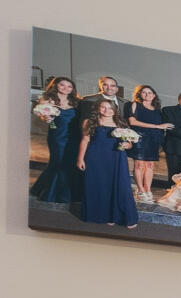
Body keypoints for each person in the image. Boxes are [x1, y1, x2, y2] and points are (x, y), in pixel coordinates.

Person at [77, 100, 137, 228]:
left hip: (116, 158)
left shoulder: (121, 123)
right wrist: (80, 159)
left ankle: (117, 216)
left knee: (120, 185)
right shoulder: (89, 122)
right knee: (98, 185)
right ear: (98, 108)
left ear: (115, 110)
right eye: (103, 107)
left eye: (110, 108)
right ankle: (102, 215)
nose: (107, 110)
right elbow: (85, 140)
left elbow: (130, 143)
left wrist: (127, 145)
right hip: (95, 157)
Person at [30, 77, 82, 205]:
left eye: (69, 86)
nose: (66, 88)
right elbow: (43, 117)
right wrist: (47, 118)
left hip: (75, 137)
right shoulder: (47, 100)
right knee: (58, 161)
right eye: (62, 85)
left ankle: (70, 191)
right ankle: (55, 194)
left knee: (70, 162)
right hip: (57, 136)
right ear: (56, 85)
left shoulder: (76, 101)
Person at [123, 86, 173, 198]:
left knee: (150, 165)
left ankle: (148, 190)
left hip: (153, 139)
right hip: (140, 138)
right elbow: (133, 122)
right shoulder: (134, 105)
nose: (147, 95)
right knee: (139, 165)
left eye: (150, 92)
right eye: (144, 92)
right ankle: (141, 190)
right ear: (139, 94)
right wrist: (157, 126)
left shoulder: (157, 110)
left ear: (154, 95)